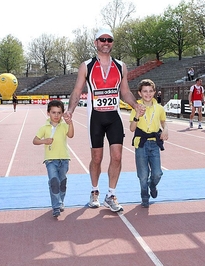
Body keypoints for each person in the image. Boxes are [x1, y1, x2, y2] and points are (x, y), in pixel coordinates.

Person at [63, 28, 145, 212]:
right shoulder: (86, 66)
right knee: (97, 157)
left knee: (117, 156)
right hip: (96, 118)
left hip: (113, 116)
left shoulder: (121, 66)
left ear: (112, 43)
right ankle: (94, 191)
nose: (106, 43)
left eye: (109, 40)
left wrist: (135, 105)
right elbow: (77, 90)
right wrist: (70, 110)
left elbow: (125, 91)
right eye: (102, 40)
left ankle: (111, 194)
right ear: (96, 43)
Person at [129, 79, 168, 208]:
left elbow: (163, 121)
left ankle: (152, 184)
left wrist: (165, 129)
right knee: (143, 174)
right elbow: (132, 128)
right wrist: (137, 116)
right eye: (145, 91)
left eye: (151, 91)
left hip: (154, 144)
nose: (148, 94)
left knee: (157, 173)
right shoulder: (136, 107)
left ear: (154, 92)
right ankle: (144, 195)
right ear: (140, 93)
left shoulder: (159, 108)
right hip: (141, 143)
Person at [33, 100, 74, 218]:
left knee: (62, 182)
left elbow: (71, 135)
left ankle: (61, 201)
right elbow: (35, 140)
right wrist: (43, 141)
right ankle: (56, 206)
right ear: (48, 113)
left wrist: (70, 123)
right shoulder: (44, 127)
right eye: (53, 112)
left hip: (64, 159)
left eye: (59, 113)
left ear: (62, 114)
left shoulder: (64, 125)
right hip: (50, 160)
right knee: (54, 181)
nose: (56, 115)